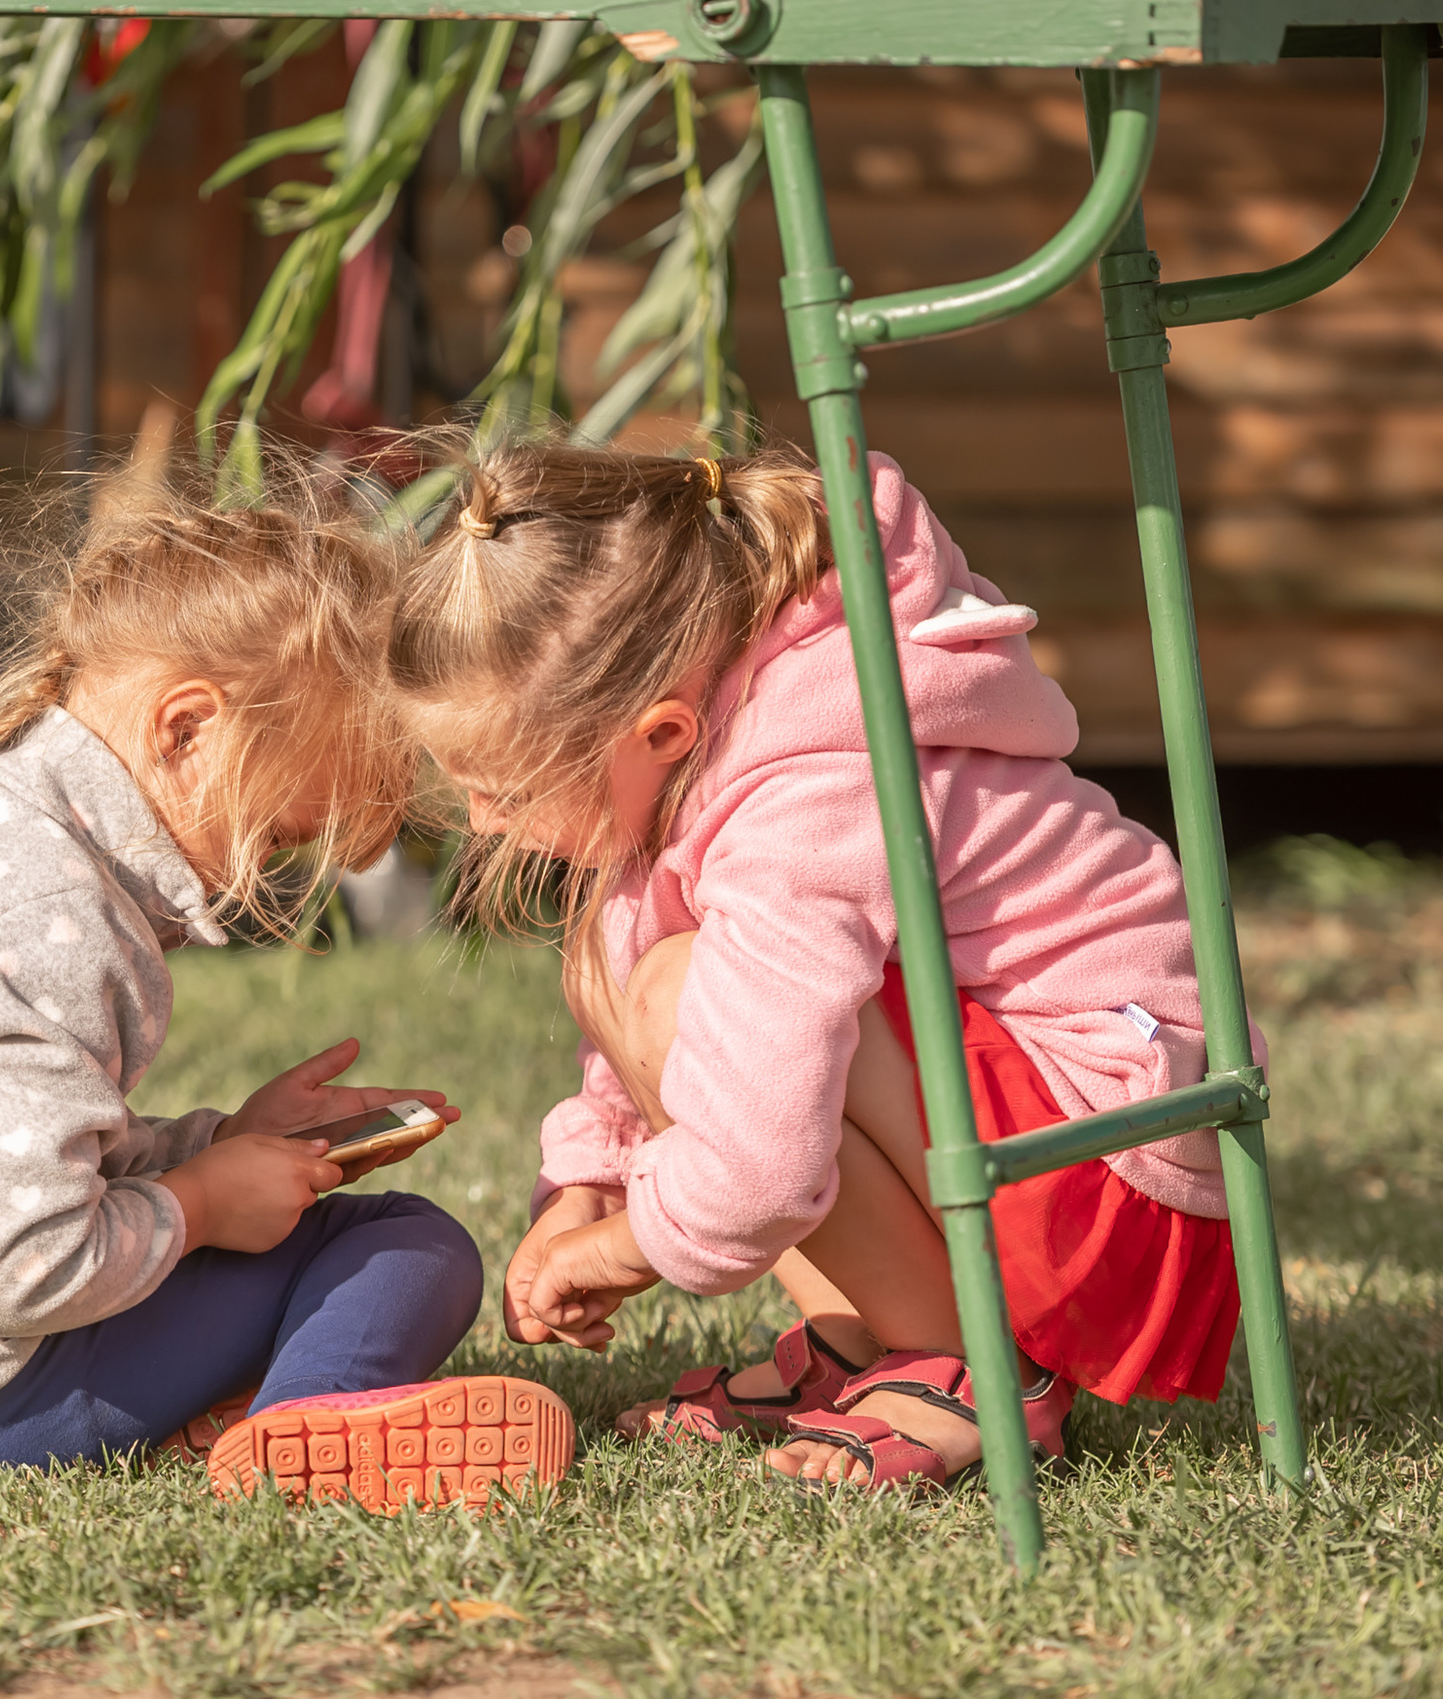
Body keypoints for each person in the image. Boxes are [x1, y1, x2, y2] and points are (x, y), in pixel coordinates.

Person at [383, 440, 1249, 1491]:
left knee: (692, 994)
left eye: (504, 786)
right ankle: (868, 1338)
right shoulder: (720, 740)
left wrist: (616, 1253)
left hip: (1117, 1185)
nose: (480, 821)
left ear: (657, 730)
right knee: (633, 974)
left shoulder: (805, 791)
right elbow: (659, 1036)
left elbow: (759, 1164)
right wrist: (586, 1188)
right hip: (1041, 1145)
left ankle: (972, 1373)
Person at [0, 475, 570, 1511]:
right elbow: (14, 1269)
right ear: (188, 729)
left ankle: (232, 1407)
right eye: (282, 834)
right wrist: (198, 1206)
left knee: (327, 1239)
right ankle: (303, 1429)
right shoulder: (58, 921)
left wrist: (215, 1144)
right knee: (402, 1242)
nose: (266, 875)